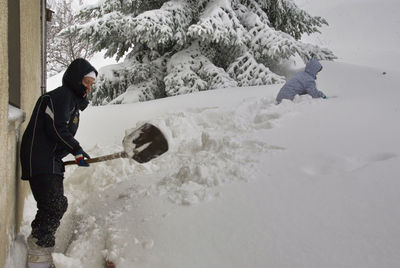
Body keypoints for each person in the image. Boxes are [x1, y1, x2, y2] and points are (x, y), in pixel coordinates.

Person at [20, 58, 97, 268]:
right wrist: (76, 149)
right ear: (75, 78)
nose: (89, 87)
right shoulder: (62, 96)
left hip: (51, 160)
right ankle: (38, 252)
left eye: (92, 84)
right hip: (40, 159)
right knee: (53, 205)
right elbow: (56, 128)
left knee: (58, 204)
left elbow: (59, 134)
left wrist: (74, 153)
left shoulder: (72, 103)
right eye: (87, 82)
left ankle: (40, 250)